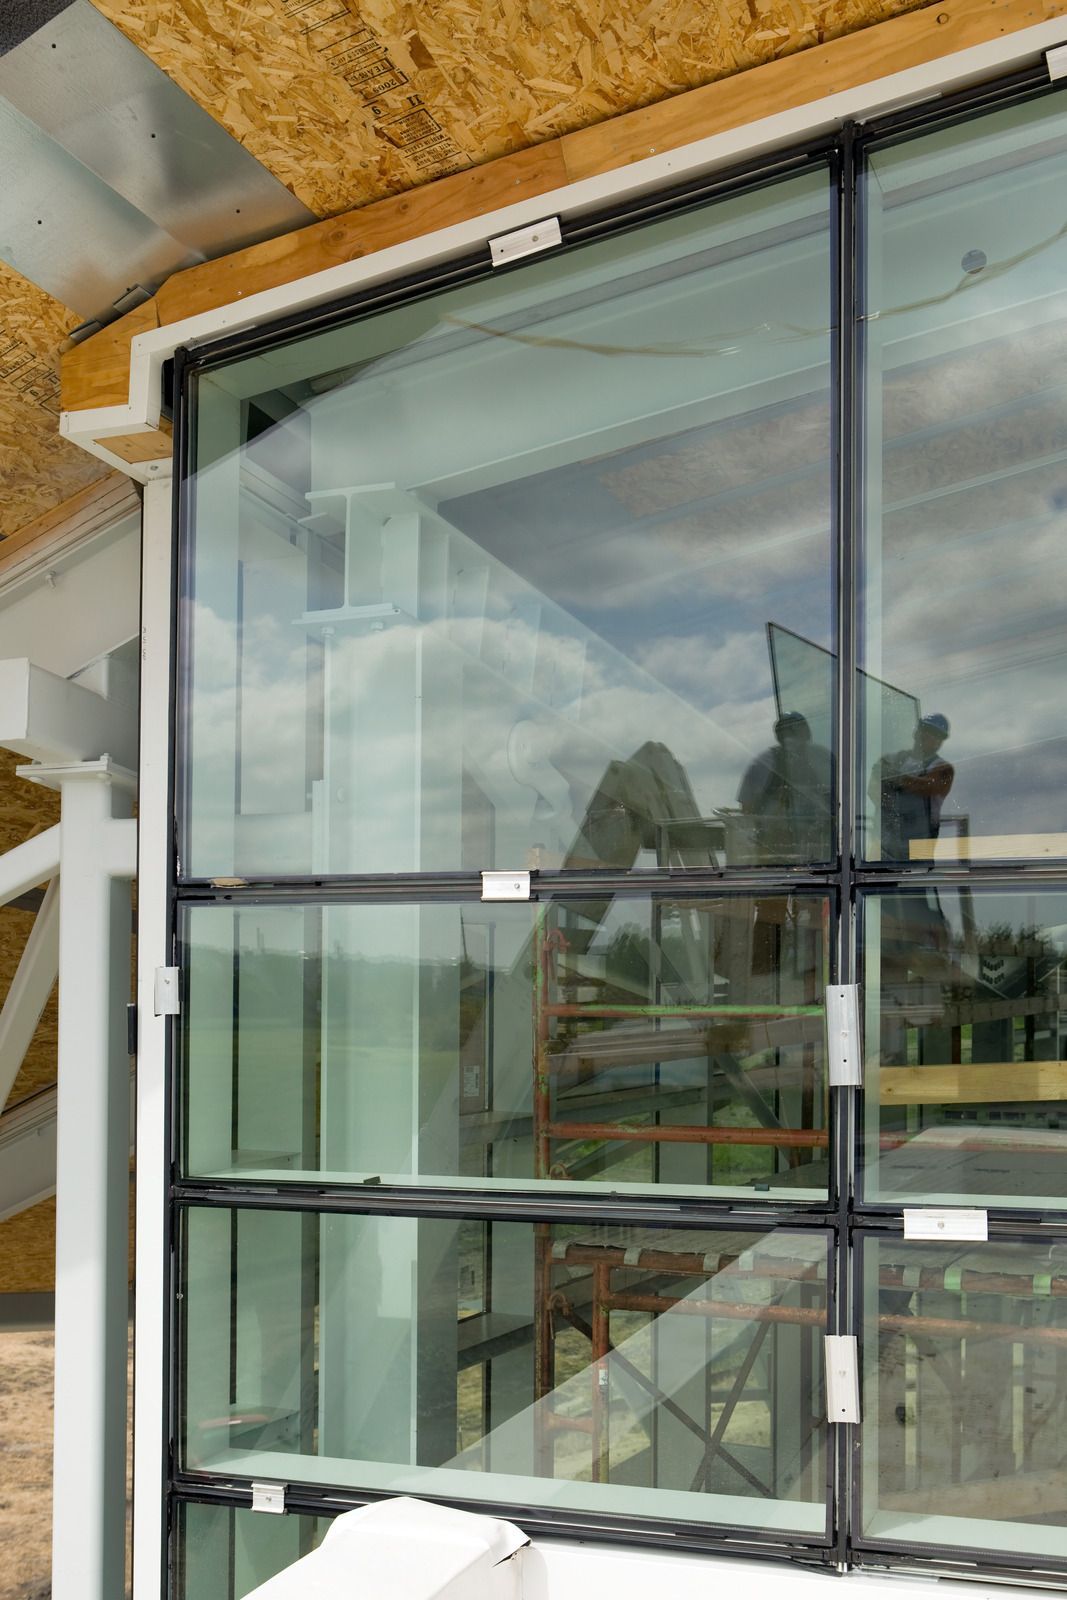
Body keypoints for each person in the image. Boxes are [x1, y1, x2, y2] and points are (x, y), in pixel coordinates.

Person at [738, 711, 832, 863]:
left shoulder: (824, 760)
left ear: (806, 733)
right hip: (774, 847)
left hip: (821, 849)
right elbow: (747, 809)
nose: (791, 737)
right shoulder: (763, 764)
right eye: (787, 732)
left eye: (796, 731)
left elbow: (840, 803)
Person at [870, 711, 954, 861]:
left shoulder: (943, 769)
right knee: (874, 880)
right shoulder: (892, 759)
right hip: (885, 842)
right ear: (916, 732)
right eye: (927, 731)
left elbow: (925, 787)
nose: (931, 738)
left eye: (937, 736)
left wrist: (890, 776)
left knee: (915, 883)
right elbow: (873, 789)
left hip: (918, 848)